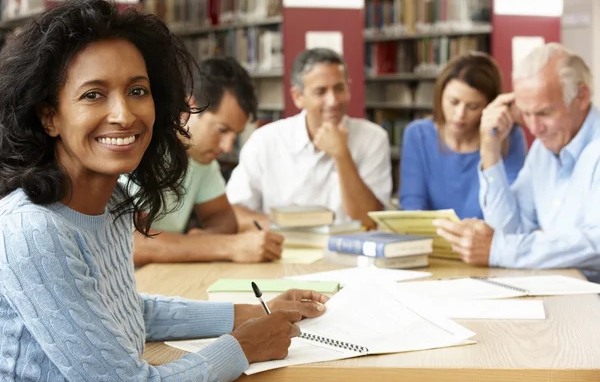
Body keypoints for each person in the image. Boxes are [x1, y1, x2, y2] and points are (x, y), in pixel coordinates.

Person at [0, 0, 328, 382]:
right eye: (93, 94)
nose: (124, 115)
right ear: (49, 115)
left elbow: (128, 311)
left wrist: (254, 312)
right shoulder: (34, 229)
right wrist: (242, 347)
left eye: (138, 91)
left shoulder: (113, 201)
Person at [433, 43, 600, 283]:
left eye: (544, 113)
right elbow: (510, 230)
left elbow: (595, 243)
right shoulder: (543, 150)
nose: (534, 128)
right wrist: (490, 150)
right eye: (526, 114)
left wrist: (499, 249)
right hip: (558, 291)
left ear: (581, 97)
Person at [124, 57, 284, 266]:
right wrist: (225, 246)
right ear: (188, 108)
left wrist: (199, 244)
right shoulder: (137, 149)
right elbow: (130, 243)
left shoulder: (203, 159)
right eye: (222, 130)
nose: (228, 147)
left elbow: (223, 220)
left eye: (235, 135)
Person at [226, 48, 392, 230]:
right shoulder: (265, 141)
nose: (333, 101)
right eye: (321, 92)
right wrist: (286, 223)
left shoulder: (373, 138)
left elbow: (369, 221)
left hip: (349, 252)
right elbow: (233, 213)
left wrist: (342, 155)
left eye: (339, 88)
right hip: (283, 251)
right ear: (297, 97)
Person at [400, 52, 527, 219]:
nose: (460, 115)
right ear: (440, 96)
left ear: (489, 107)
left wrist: (490, 146)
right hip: (430, 240)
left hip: (485, 242)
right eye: (453, 102)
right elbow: (412, 207)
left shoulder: (509, 137)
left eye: (473, 106)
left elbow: (509, 213)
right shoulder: (418, 135)